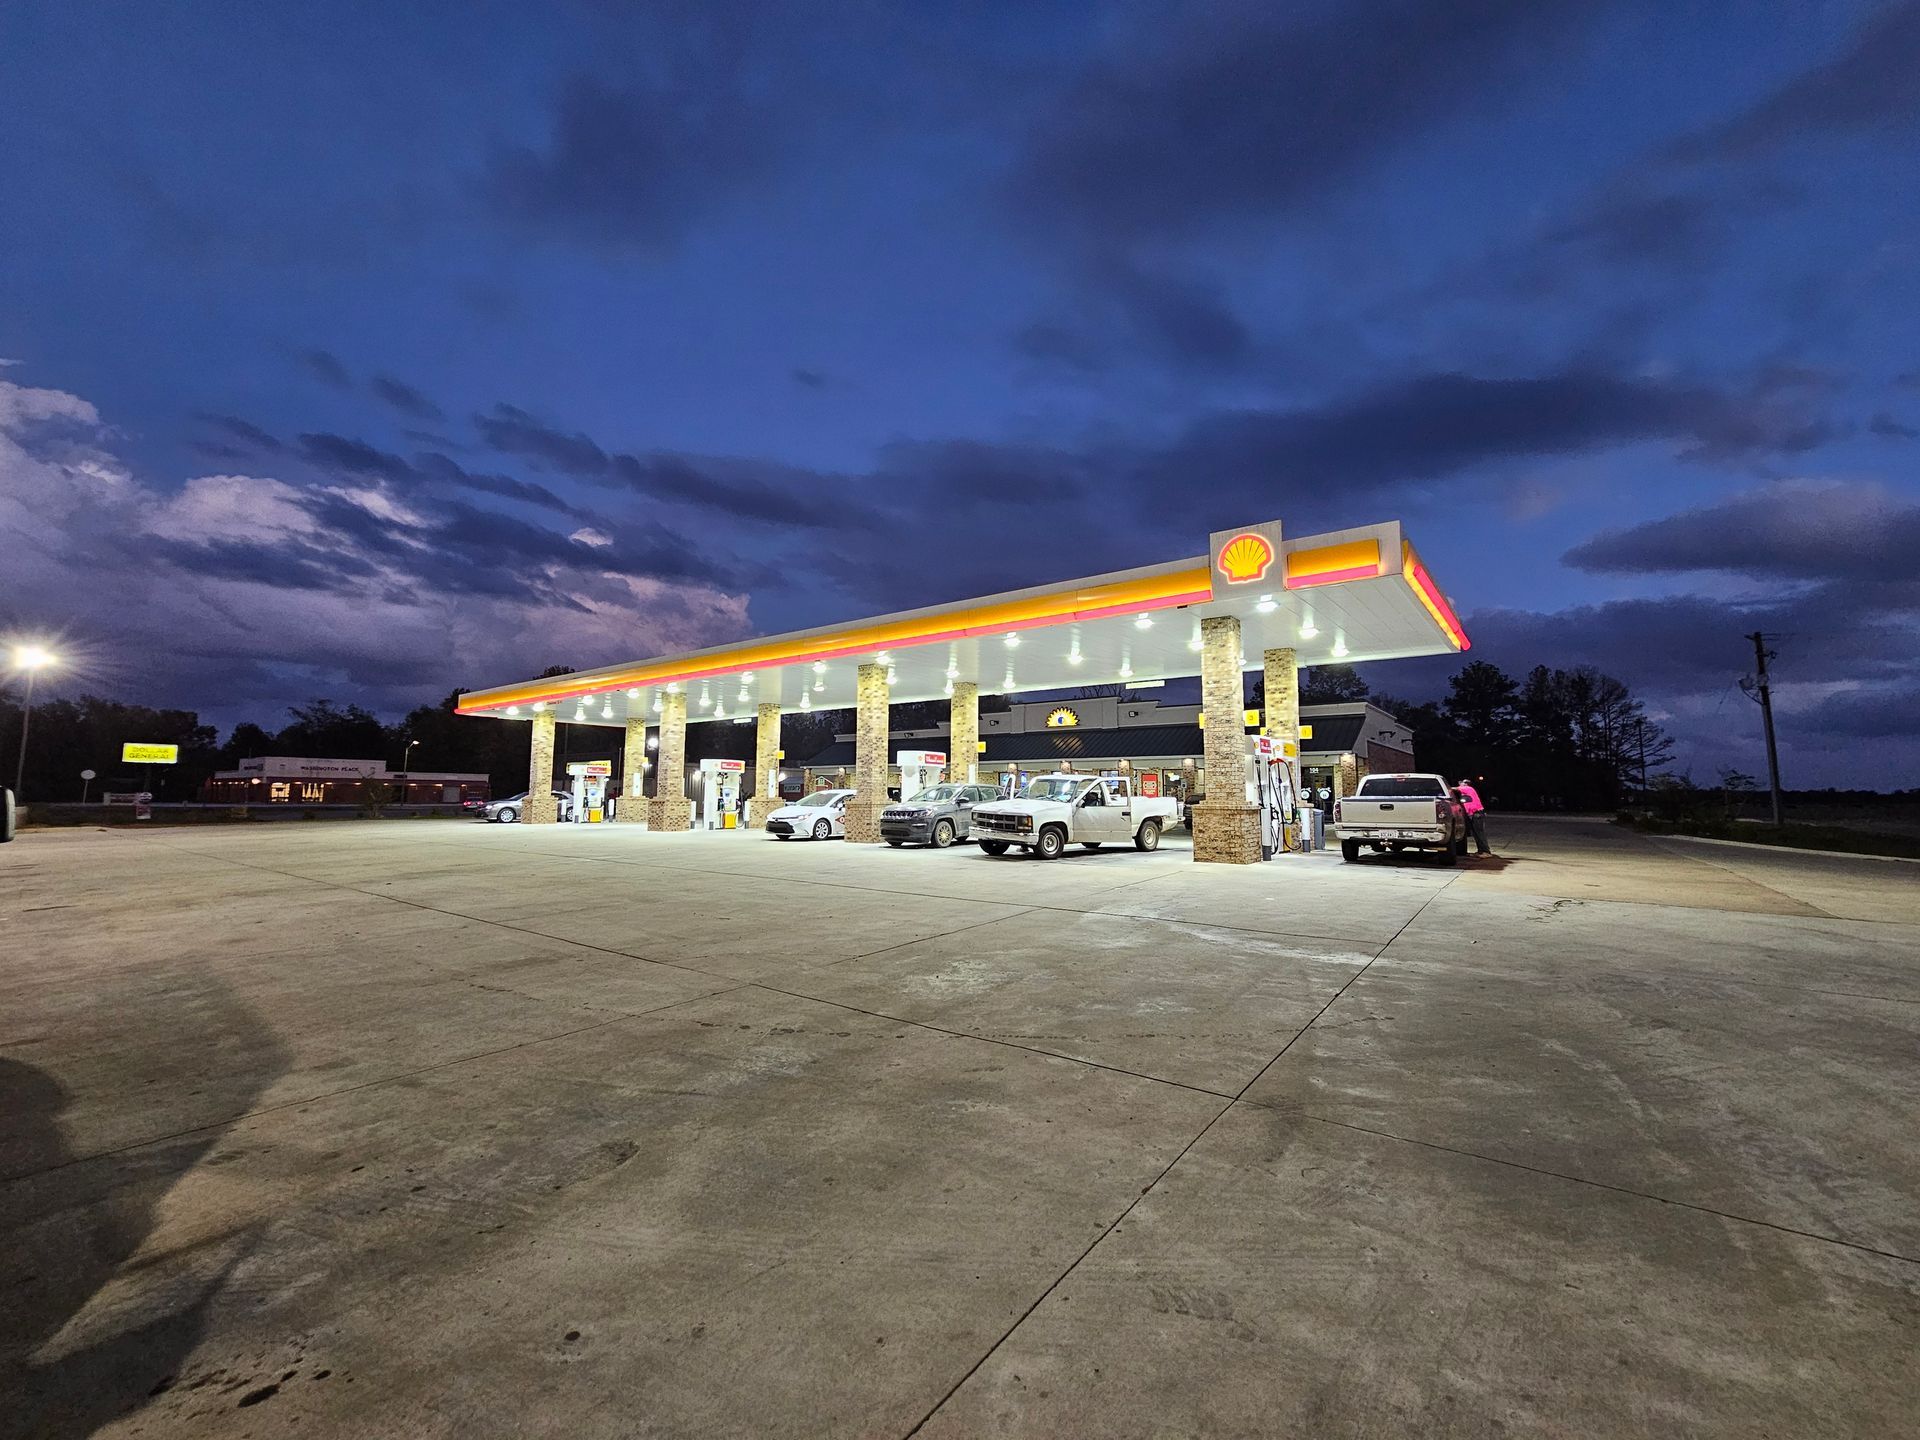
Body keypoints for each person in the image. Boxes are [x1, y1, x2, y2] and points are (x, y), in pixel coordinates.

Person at [1456, 778, 1491, 855]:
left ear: (1465, 784)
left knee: (1479, 833)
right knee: (1476, 833)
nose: (1460, 784)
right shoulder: (1466, 793)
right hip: (1475, 814)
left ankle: (1486, 851)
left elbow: (1453, 789)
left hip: (1477, 814)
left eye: (1461, 783)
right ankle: (1481, 851)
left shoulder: (1468, 788)